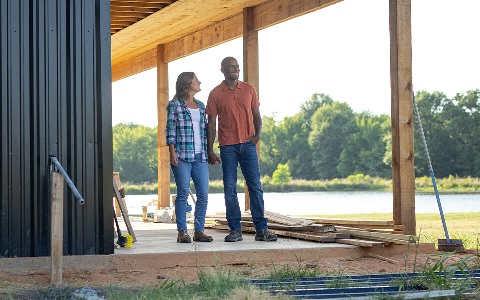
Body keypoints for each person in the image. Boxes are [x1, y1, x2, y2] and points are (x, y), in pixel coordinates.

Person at [206, 57, 278, 242]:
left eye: (237, 67)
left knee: (255, 186)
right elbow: (211, 123)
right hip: (227, 146)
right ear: (222, 70)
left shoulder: (249, 89)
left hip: (248, 145)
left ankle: (261, 230)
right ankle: (235, 230)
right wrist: (210, 149)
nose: (235, 69)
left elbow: (256, 114)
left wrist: (257, 135)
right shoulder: (215, 94)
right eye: (231, 67)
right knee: (229, 187)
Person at [166, 72, 212, 243]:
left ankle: (199, 231)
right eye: (196, 80)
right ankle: (182, 231)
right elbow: (170, 130)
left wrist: (209, 152)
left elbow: (206, 131)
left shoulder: (201, 105)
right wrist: (172, 151)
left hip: (200, 156)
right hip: (182, 155)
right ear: (187, 83)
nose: (199, 82)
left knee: (204, 194)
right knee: (183, 192)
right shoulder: (175, 105)